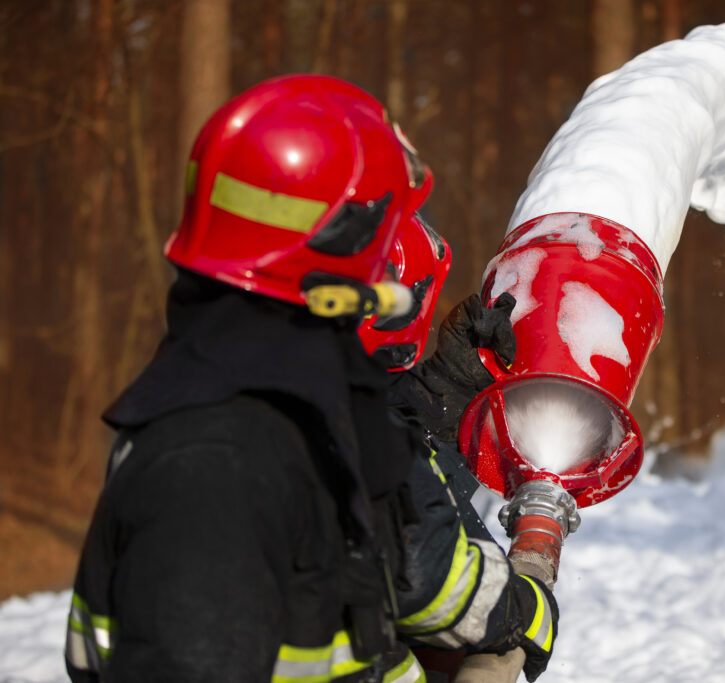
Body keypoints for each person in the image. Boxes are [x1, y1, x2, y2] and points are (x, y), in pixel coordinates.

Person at [65, 74, 557, 683]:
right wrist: (525, 610)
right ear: (340, 252)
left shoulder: (244, 387)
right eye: (383, 242)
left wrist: (448, 387)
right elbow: (425, 568)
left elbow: (374, 504)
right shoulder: (214, 467)